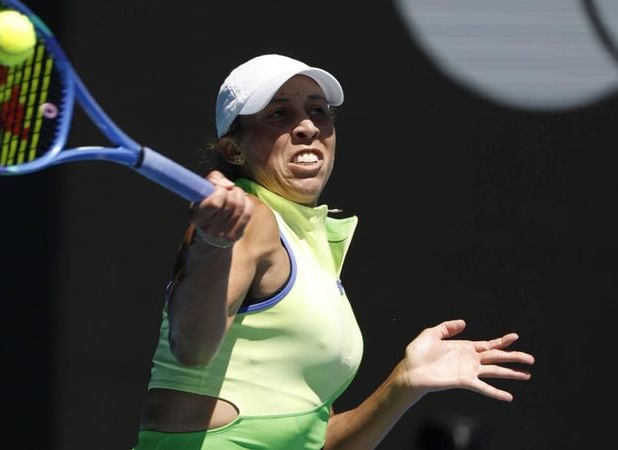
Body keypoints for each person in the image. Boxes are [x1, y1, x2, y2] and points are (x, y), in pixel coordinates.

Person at [132, 54, 535, 450]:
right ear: (234, 150)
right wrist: (214, 242)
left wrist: (404, 383)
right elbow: (191, 348)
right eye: (278, 114)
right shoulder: (251, 218)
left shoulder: (308, 245)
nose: (307, 126)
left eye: (319, 111)